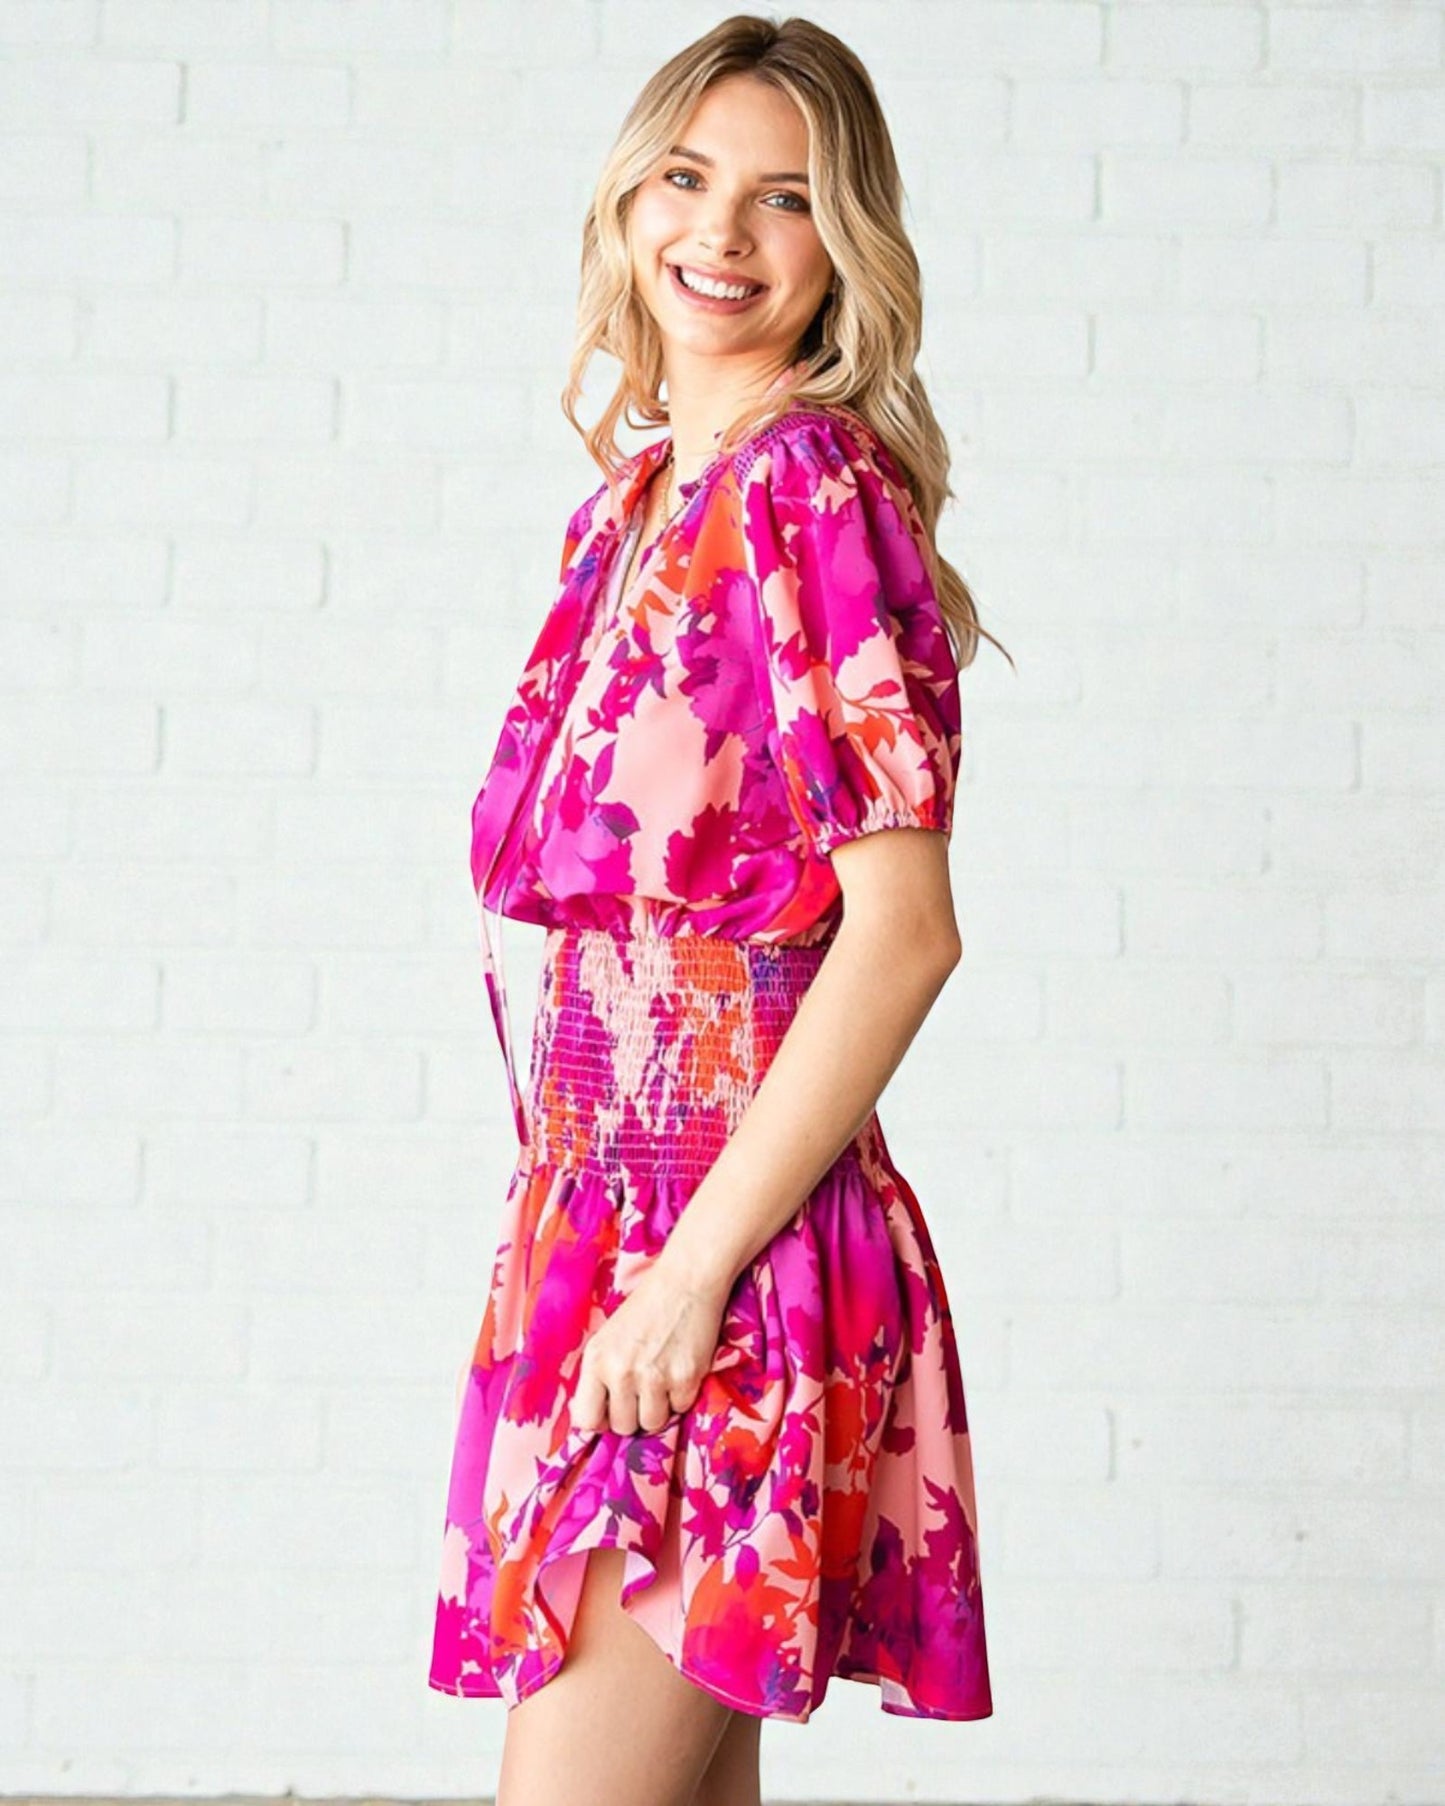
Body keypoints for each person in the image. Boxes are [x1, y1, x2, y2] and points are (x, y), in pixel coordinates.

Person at [428, 16, 1009, 1805]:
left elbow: (902, 930)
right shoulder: (628, 509)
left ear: (846, 243)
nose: (723, 234)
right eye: (688, 179)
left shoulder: (803, 489)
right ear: (627, 198)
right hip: (601, 1234)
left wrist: (687, 1279)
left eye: (785, 197)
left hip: (725, 1256)